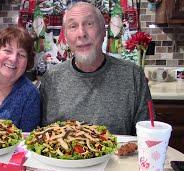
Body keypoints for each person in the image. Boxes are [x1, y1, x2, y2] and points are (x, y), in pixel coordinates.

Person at [40, 2, 152, 135]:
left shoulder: (133, 76)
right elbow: (40, 136)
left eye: (89, 24)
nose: (81, 33)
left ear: (104, 31)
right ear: (66, 38)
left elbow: (147, 137)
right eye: (73, 26)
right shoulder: (51, 78)